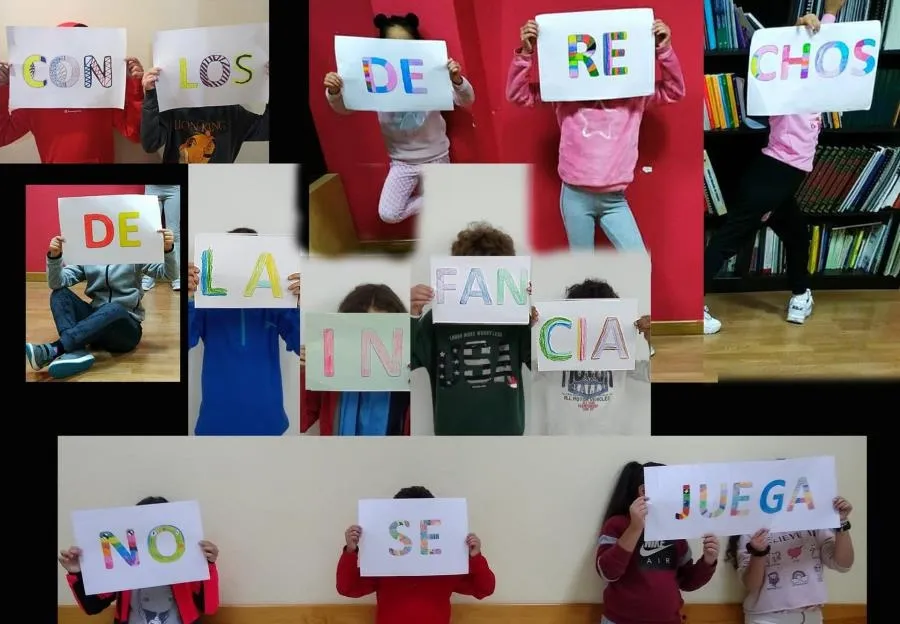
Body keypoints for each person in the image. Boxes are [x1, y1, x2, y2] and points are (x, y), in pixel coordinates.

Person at [703, 1, 844, 334]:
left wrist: (830, 15)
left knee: (796, 233)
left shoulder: (817, 84)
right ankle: (689, 304)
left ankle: (800, 293)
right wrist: (805, 26)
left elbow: (827, 47)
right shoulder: (784, 84)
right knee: (729, 237)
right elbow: (800, 49)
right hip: (776, 168)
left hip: (785, 172)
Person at [506, 17, 684, 251]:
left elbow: (674, 90)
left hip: (615, 199)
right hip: (575, 196)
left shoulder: (634, 94)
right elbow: (518, 95)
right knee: (584, 270)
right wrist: (525, 54)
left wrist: (664, 49)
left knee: (638, 262)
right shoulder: (564, 93)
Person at [323, 13, 475, 224]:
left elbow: (466, 99)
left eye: (406, 44)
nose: (399, 50)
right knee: (389, 213)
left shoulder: (431, 72)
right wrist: (335, 92)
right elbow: (345, 109)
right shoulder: (374, 77)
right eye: (392, 45)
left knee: (449, 213)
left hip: (436, 156)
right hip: (402, 161)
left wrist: (457, 80)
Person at [409, 222, 534, 435]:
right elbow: (404, 362)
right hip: (452, 437)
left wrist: (536, 322)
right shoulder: (436, 319)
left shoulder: (516, 320)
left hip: (507, 437)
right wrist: (413, 313)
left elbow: (541, 364)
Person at [186, 228, 301, 435]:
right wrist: (188, 298)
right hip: (215, 423)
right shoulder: (205, 304)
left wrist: (300, 303)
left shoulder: (275, 304)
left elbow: (304, 347)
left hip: (270, 423)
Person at [25, 228, 177, 379]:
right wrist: (54, 257)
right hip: (95, 324)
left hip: (125, 331)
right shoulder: (88, 255)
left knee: (114, 308)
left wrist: (168, 250)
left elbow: (169, 274)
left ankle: (57, 348)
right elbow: (56, 283)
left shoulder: (134, 252)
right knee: (59, 294)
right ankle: (75, 351)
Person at [337, 486, 495, 624]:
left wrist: (476, 557)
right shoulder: (384, 563)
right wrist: (350, 552)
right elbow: (347, 588)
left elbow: (484, 589)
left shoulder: (446, 565)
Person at [58, 496, 220, 624]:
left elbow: (209, 607)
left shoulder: (184, 565)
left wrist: (208, 565)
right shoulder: (122, 565)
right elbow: (92, 606)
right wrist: (77, 573)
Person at [0, 22, 144, 163]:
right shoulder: (35, 98)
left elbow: (135, 134)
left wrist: (134, 85)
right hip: (56, 186)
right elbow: (2, 135)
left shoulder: (103, 93)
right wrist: (2, 87)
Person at [597, 461, 719, 624]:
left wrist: (708, 561)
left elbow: (687, 581)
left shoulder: (674, 528)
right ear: (643, 491)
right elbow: (607, 572)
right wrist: (635, 528)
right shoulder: (617, 524)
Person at [530, 279, 652, 435]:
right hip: (560, 448)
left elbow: (654, 373)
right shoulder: (553, 358)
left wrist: (652, 339)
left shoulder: (621, 359)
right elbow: (521, 375)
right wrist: (523, 328)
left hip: (610, 447)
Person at [300, 283, 411, 435]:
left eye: (380, 328)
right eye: (359, 328)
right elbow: (301, 421)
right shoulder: (327, 376)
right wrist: (302, 373)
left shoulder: (407, 378)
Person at [724, 496, 855, 624]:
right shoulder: (751, 526)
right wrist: (758, 553)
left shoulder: (812, 520)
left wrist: (841, 522)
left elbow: (843, 564)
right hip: (767, 617)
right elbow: (751, 584)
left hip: (811, 616)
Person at [140, 63, 269, 163]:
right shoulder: (174, 108)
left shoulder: (233, 113)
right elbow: (150, 144)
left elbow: (266, 130)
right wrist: (151, 96)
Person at [143, 185, 182, 291]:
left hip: (174, 187)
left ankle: (177, 274)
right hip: (152, 187)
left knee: (174, 234)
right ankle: (150, 274)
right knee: (151, 232)